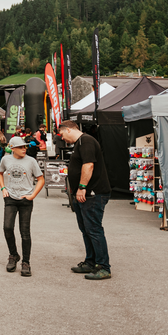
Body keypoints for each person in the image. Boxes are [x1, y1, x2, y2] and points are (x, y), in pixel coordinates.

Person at [58, 120, 112, 280]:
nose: (62, 139)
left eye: (61, 134)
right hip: (84, 194)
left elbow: (88, 165)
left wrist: (82, 187)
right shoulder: (80, 143)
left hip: (92, 194)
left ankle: (103, 267)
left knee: (94, 229)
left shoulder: (86, 141)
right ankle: (91, 261)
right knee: (86, 229)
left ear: (68, 130)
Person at [0, 136, 44, 276]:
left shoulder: (31, 161)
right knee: (7, 227)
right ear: (13, 148)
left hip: (26, 200)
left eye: (25, 147)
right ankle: (13, 255)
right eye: (21, 147)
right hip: (10, 198)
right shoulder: (6, 159)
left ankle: (26, 262)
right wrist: (3, 188)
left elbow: (40, 179)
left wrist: (33, 195)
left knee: (25, 232)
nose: (24, 149)